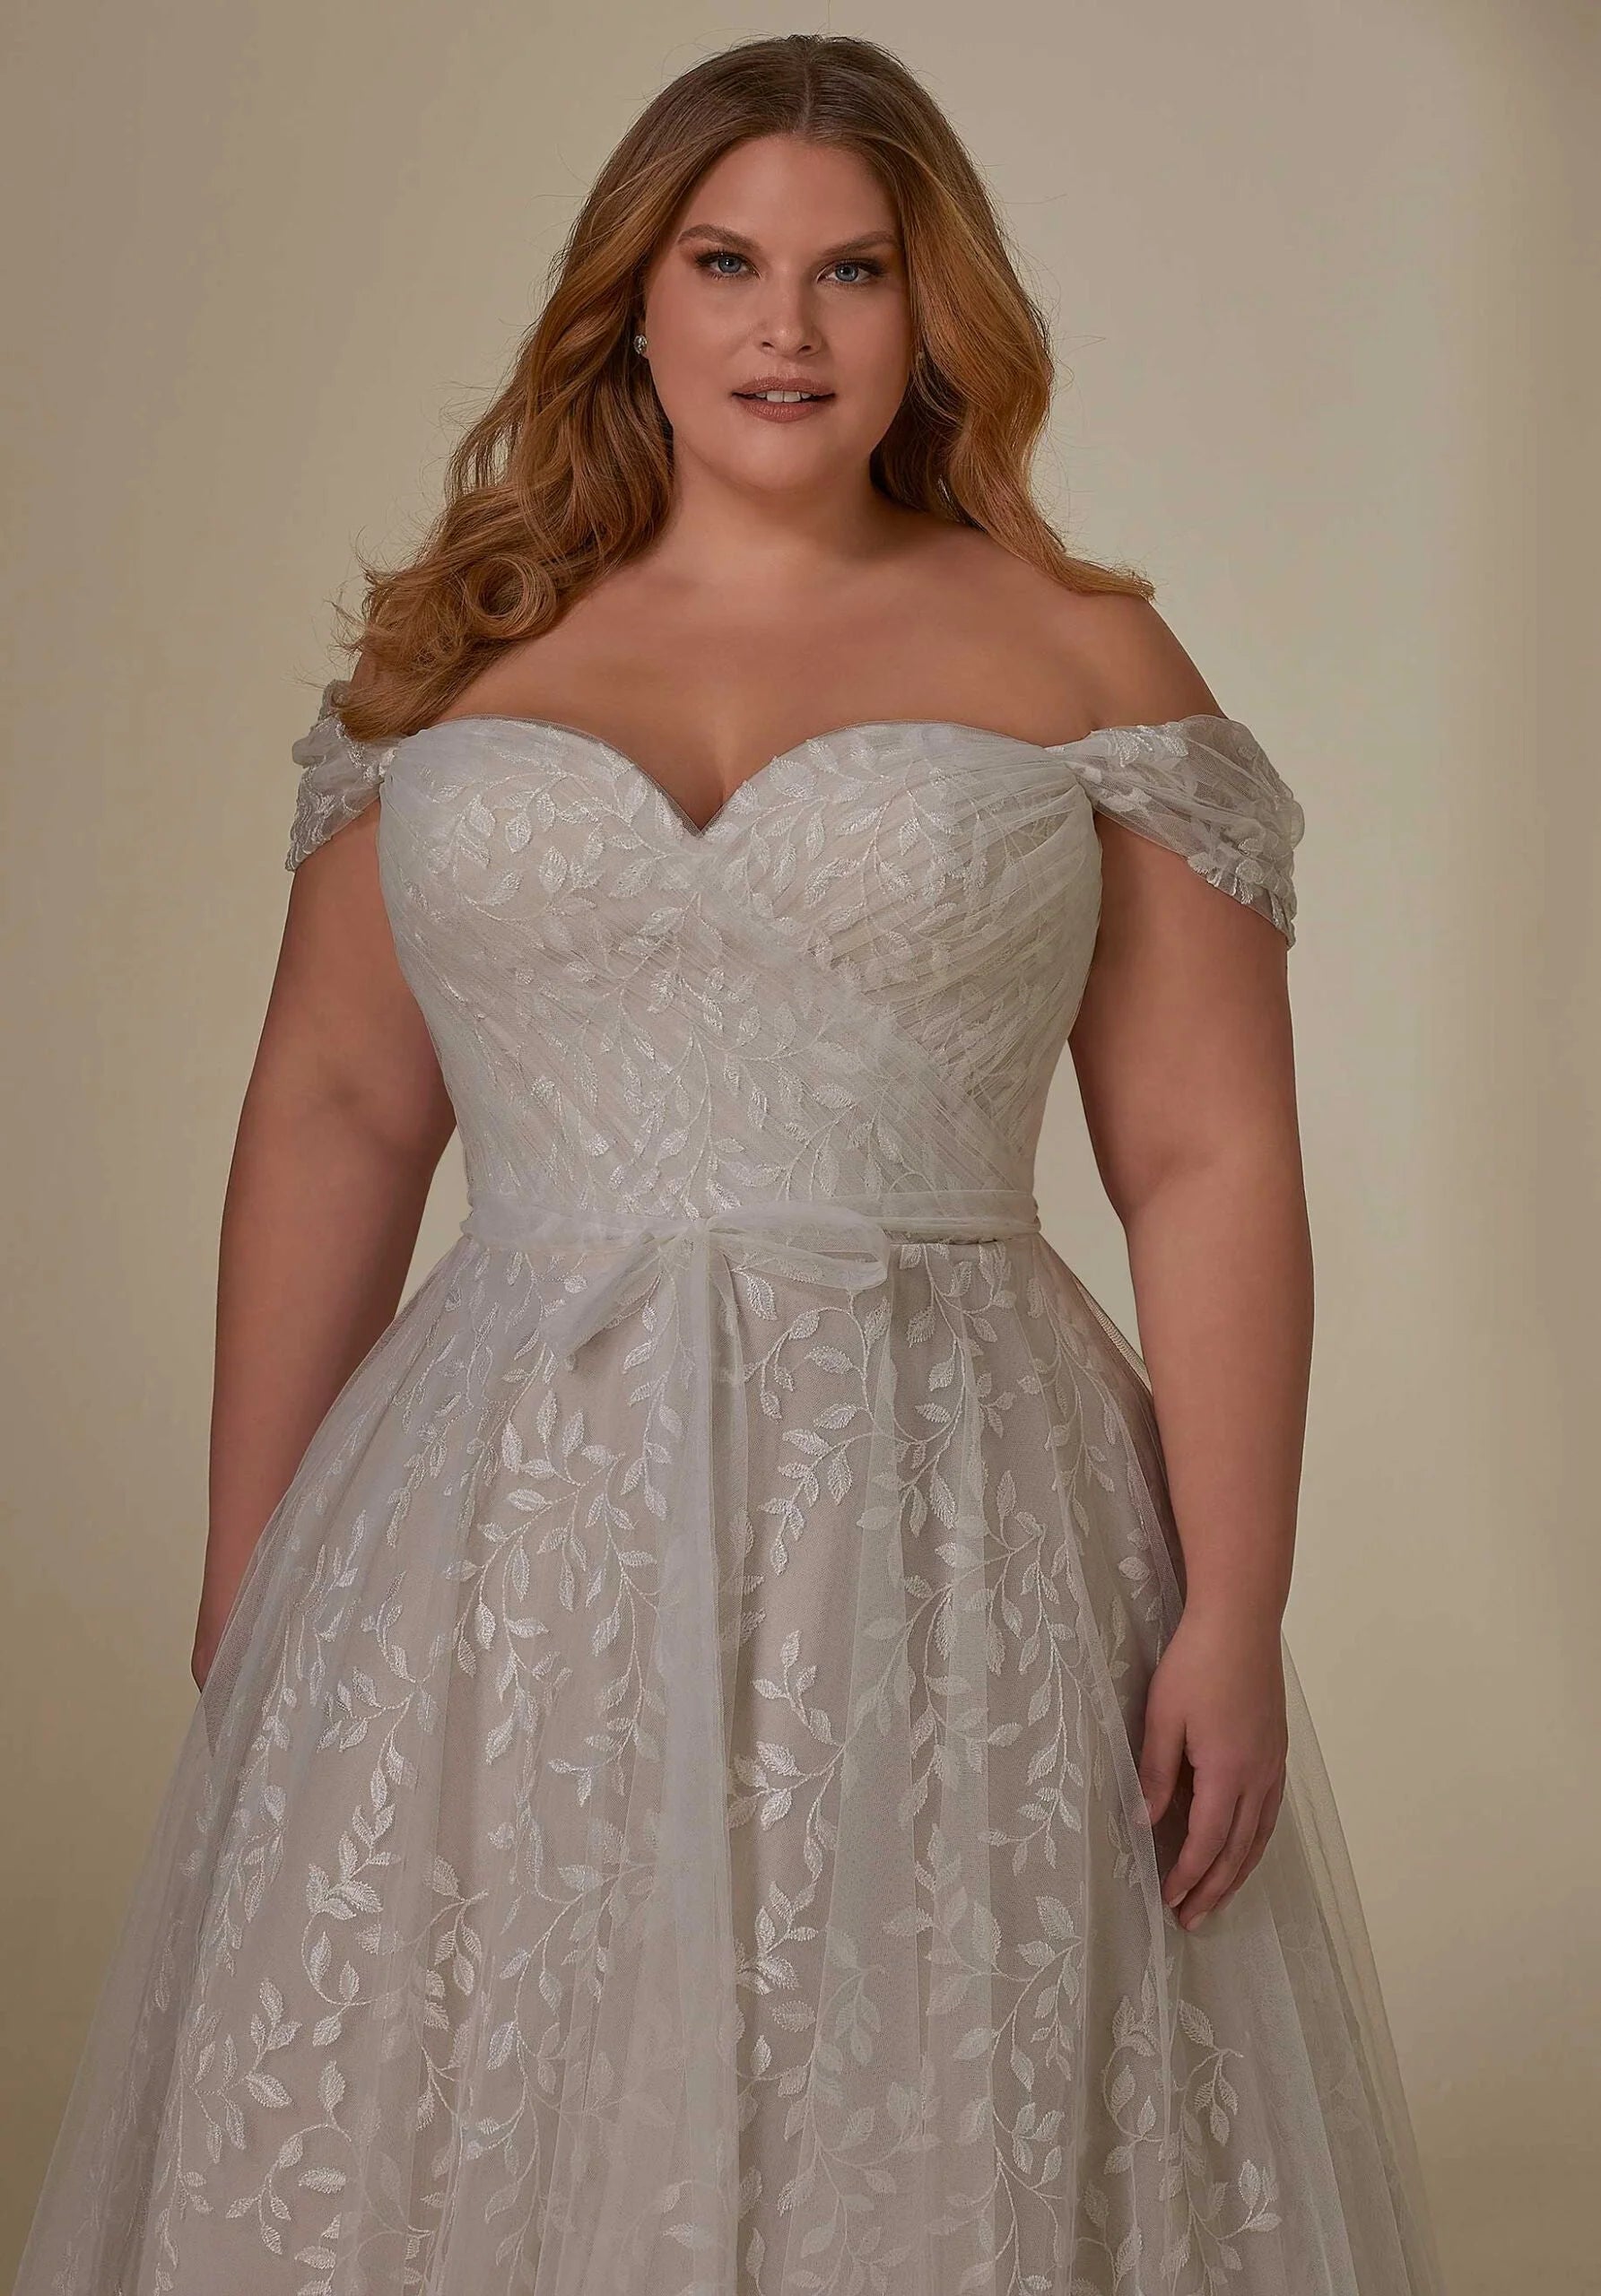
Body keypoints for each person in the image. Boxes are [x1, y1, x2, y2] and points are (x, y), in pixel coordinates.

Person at [15, 30, 1448, 2296]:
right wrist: (253, 1558)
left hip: (950, 1491)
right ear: (634, 296)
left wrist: (1233, 1599)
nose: (785, 327)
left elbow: (1199, 1150)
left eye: (850, 269)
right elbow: (339, 1102)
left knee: (911, 2070)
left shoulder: (1079, 653)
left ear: (929, 311)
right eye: (724, 262)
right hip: (496, 1511)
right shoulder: (456, 651)